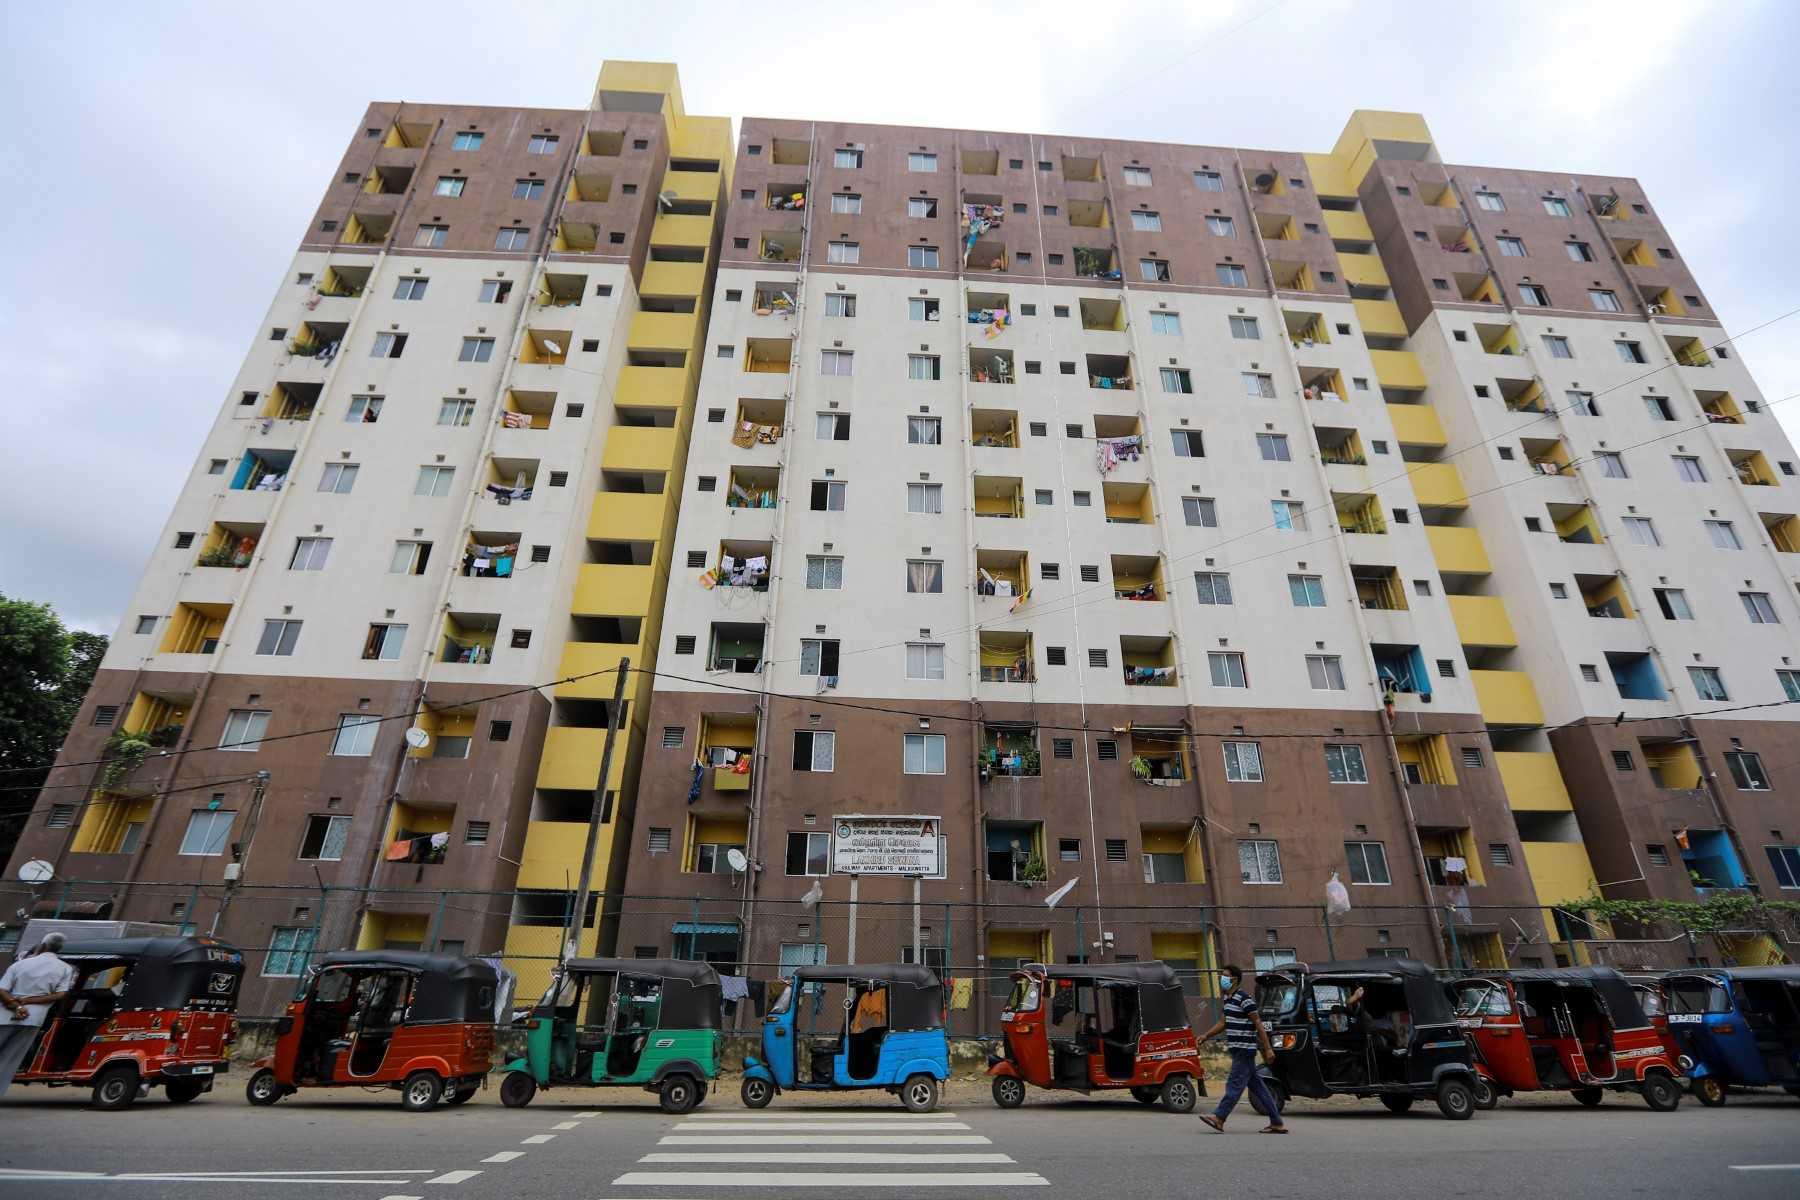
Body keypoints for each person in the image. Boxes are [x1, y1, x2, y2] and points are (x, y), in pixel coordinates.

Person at [1197, 964, 1288, 1134]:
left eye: (1225, 976)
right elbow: (1223, 1022)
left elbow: (1258, 1023)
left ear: (1234, 979)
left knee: (1234, 1084)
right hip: (1237, 1050)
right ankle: (1277, 1122)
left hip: (1244, 1050)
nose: (1222, 979)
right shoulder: (1228, 999)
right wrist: (1206, 1035)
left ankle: (1219, 1117)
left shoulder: (1245, 999)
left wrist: (1268, 1049)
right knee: (1259, 1088)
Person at [0, 932, 77, 1097]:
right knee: (10, 1059)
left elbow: (2, 989)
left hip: (5, 1015)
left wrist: (17, 1005)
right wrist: (29, 1001)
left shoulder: (21, 964)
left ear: (42, 945)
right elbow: (60, 994)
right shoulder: (65, 968)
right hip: (33, 1019)